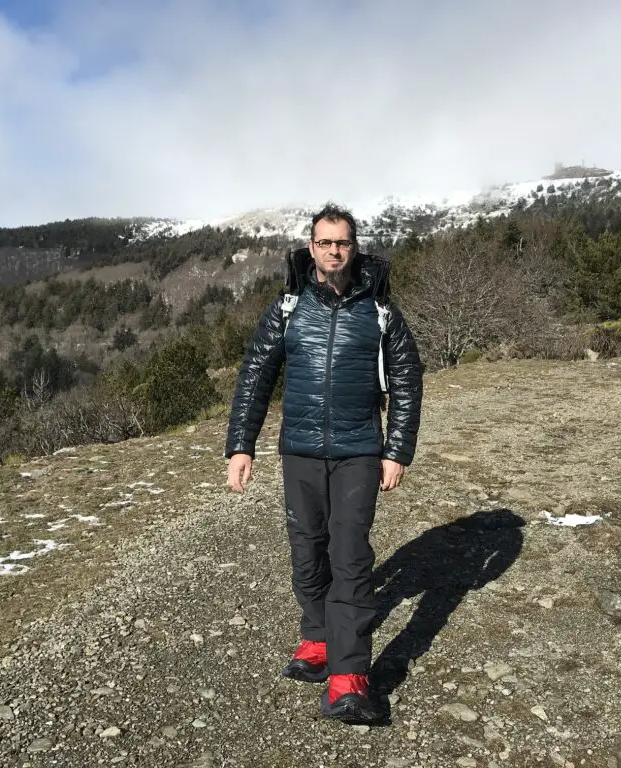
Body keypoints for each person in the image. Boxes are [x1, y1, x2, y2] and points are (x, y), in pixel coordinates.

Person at [224, 203, 423, 723]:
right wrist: (240, 446)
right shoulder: (288, 308)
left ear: (354, 247)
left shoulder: (380, 312)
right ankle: (317, 638)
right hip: (301, 450)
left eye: (343, 242)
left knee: (351, 554)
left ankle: (349, 679)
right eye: (325, 242)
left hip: (360, 449)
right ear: (311, 247)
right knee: (307, 547)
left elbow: (406, 380)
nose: (335, 250)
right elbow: (254, 379)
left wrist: (396, 449)